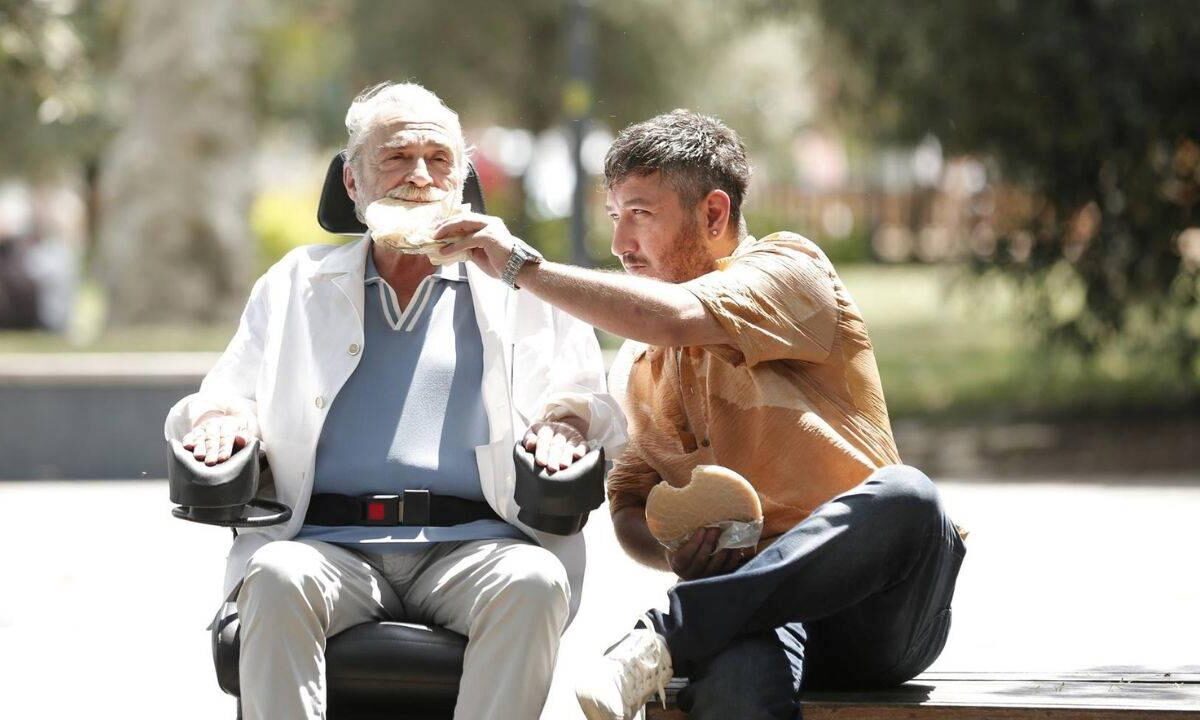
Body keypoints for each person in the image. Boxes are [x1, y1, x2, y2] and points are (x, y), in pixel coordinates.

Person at [432, 109, 966, 720]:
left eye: (640, 214)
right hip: (748, 612)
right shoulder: (636, 365)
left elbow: (675, 315)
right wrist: (676, 556)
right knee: (735, 685)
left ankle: (664, 632)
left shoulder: (790, 270)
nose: (619, 244)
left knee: (910, 498)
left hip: (879, 610)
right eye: (613, 217)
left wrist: (519, 266)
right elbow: (629, 507)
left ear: (713, 213)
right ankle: (675, 633)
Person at [163, 82, 625, 720]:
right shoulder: (297, 282)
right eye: (396, 158)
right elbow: (227, 394)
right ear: (352, 183)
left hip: (477, 544)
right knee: (274, 575)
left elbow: (585, 399)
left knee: (535, 581)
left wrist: (567, 424)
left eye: (439, 161)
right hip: (329, 544)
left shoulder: (524, 285)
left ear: (462, 180)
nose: (419, 177)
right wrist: (222, 421)